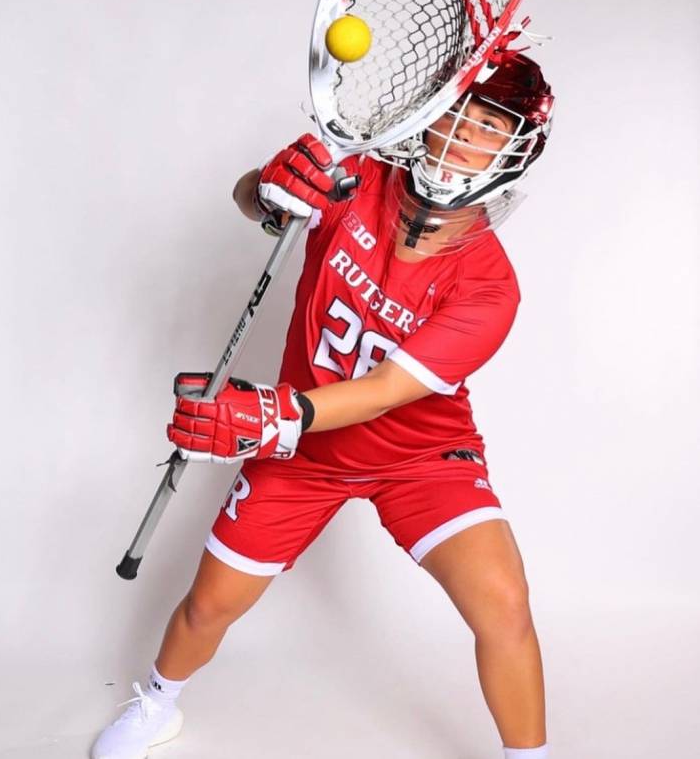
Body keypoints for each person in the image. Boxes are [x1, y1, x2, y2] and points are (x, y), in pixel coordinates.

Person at [91, 50, 555, 759]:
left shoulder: (490, 285)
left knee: (504, 604)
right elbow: (253, 202)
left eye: (489, 124)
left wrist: (273, 414)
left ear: (514, 150)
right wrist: (266, 189)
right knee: (209, 604)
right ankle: (158, 703)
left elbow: (384, 392)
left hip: (420, 458)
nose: (465, 132)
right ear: (430, 111)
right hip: (304, 454)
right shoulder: (358, 178)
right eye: (459, 111)